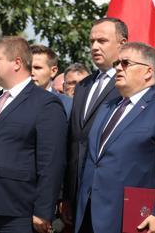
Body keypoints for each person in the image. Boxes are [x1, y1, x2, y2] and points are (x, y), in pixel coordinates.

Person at [0, 36, 67, 233]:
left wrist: (43, 210)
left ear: (17, 62)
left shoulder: (45, 104)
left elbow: (51, 162)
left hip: (18, 212)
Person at [75, 43, 155, 233]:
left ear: (148, 72)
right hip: (88, 212)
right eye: (117, 63)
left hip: (130, 216)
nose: (118, 68)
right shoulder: (107, 107)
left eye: (126, 63)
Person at [63, 18, 127, 227]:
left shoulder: (129, 86)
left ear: (123, 44)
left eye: (102, 41)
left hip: (111, 198)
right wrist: (68, 194)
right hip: (78, 196)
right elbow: (74, 141)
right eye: (92, 41)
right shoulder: (83, 86)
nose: (95, 47)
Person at [30, 44, 73, 118]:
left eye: (37, 68)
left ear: (53, 71)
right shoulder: (11, 101)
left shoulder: (68, 105)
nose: (31, 72)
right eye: (27, 67)